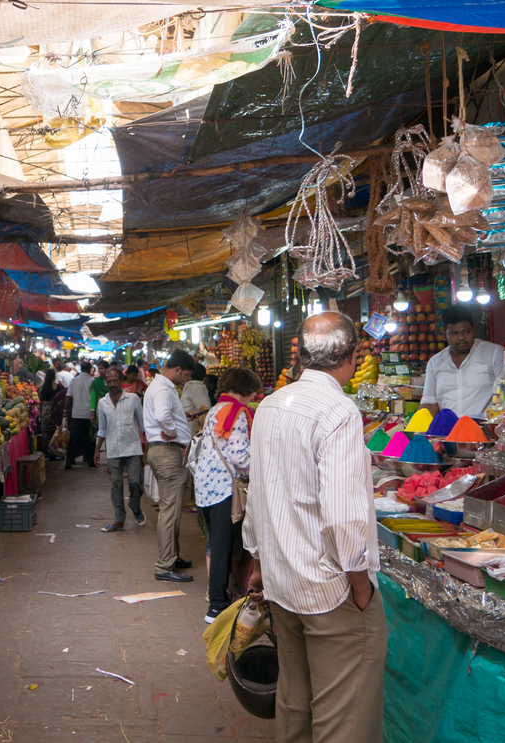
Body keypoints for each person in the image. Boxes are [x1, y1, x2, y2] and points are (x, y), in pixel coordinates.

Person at [245, 312, 386, 743]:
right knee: (344, 714)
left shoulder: (270, 404)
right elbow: (344, 515)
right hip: (330, 590)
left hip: (283, 582)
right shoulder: (338, 411)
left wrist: (257, 563)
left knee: (295, 702)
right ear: (351, 355)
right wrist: (360, 586)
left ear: (301, 355)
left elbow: (257, 495)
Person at [195, 367, 262, 621]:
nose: (252, 398)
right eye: (251, 393)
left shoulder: (215, 409)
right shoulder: (238, 413)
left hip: (205, 486)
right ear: (244, 390)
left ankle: (218, 597)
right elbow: (239, 456)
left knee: (215, 544)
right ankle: (216, 606)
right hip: (223, 488)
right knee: (223, 548)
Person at [143, 349, 197, 583]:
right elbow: (163, 415)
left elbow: (166, 414)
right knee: (170, 511)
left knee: (172, 509)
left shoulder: (159, 386)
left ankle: (172, 557)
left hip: (164, 452)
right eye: (184, 375)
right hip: (167, 453)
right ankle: (165, 565)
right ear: (177, 370)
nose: (184, 380)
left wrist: (179, 418)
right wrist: (172, 431)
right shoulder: (163, 388)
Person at [420, 305, 505, 419]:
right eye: (454, 333)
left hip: (483, 430)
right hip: (448, 432)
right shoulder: (435, 362)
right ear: (445, 335)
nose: (461, 337)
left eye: (466, 332)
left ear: (474, 330)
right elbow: (429, 402)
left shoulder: (494, 353)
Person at [96, 367, 146, 532]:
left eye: (115, 381)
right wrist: (97, 450)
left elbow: (142, 424)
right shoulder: (102, 403)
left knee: (135, 482)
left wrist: (147, 446)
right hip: (113, 449)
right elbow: (102, 429)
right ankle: (119, 519)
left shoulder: (133, 399)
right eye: (109, 381)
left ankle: (135, 506)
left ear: (121, 381)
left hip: (133, 448)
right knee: (116, 484)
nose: (112, 384)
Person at [64, 361, 95, 469]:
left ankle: (69, 460)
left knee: (74, 438)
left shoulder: (74, 380)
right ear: (90, 369)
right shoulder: (93, 381)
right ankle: (90, 461)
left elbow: (68, 397)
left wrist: (65, 410)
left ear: (81, 369)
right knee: (89, 438)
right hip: (89, 414)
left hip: (76, 413)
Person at [38, 368, 67, 460]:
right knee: (57, 431)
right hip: (56, 410)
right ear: (54, 376)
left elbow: (41, 400)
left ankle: (49, 452)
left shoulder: (44, 387)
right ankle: (58, 451)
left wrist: (40, 410)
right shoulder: (59, 386)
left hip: (46, 410)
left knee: (46, 431)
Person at [180, 363, 212, 434]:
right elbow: (206, 409)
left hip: (188, 428)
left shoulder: (195, 386)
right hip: (190, 428)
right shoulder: (195, 386)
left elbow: (205, 409)